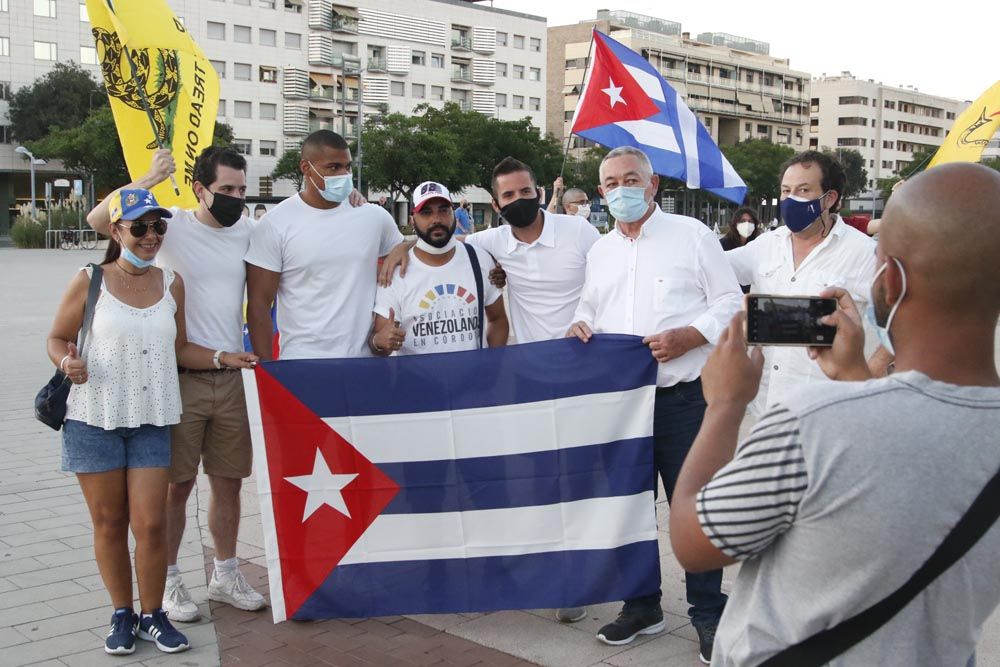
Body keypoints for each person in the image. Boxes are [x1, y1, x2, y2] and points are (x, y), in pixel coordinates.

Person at [669, 161, 1000, 666]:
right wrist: (853, 376)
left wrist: (725, 406)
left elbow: (693, 542)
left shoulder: (815, 425)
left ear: (888, 280)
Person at [52, 188, 256, 655]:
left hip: (151, 418)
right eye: (140, 227)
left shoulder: (171, 283)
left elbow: (180, 348)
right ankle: (122, 614)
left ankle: (153, 615)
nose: (150, 236)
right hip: (93, 417)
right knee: (109, 522)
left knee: (149, 524)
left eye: (158, 227)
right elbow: (58, 336)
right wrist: (67, 363)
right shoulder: (90, 279)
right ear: (117, 230)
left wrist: (225, 356)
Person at [566, 146, 742, 661]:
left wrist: (691, 334)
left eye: (632, 179)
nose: (622, 189)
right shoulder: (600, 251)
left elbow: (730, 301)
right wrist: (579, 323)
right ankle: (642, 605)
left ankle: (708, 614)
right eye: (611, 182)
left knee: (693, 509)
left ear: (652, 184)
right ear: (601, 192)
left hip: (682, 399)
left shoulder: (692, 235)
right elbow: (589, 307)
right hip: (622, 406)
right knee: (631, 509)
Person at [87, 146, 270, 622]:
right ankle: (166, 580)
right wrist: (147, 179)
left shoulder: (250, 232)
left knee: (229, 483)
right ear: (199, 189)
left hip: (233, 378)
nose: (235, 197)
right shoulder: (168, 227)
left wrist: (353, 199)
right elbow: (97, 219)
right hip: (177, 377)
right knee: (176, 487)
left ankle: (225, 573)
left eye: (241, 188)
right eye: (225, 189)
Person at [724, 150, 886, 414]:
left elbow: (905, 319)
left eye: (803, 190)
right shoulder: (766, 245)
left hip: (830, 408)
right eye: (786, 190)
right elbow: (712, 269)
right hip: (765, 407)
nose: (791, 199)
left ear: (829, 198)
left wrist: (873, 371)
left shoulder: (864, 253)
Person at [245, 130, 407, 360]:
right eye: (333, 168)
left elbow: (416, 255)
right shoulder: (275, 224)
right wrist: (268, 371)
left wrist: (405, 247)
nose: (343, 174)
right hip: (302, 364)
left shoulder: (374, 217)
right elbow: (259, 303)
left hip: (365, 364)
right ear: (305, 167)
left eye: (347, 167)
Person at [371, 182, 507, 355]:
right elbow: (379, 342)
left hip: (474, 380)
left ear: (454, 215)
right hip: (418, 381)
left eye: (443, 210)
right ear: (412, 219)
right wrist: (379, 342)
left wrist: (492, 365)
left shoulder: (479, 259)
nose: (436, 219)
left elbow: (498, 319)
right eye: (426, 212)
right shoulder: (396, 272)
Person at [720, 207, 763, 293]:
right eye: (743, 221)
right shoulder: (723, 244)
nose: (747, 224)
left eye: (750, 221)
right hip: (727, 293)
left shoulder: (755, 244)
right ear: (735, 224)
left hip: (744, 295)